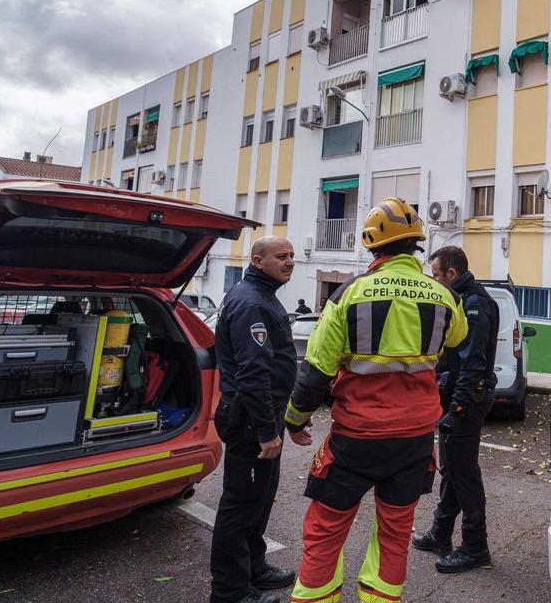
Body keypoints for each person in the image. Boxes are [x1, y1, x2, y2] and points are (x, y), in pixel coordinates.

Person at [284, 198, 468, 603]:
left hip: (357, 438)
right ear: (416, 244)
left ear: (372, 246)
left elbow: (316, 371)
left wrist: (295, 420)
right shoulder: (444, 295)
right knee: (395, 534)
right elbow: (456, 339)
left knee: (325, 530)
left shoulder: (349, 295)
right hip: (415, 441)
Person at [209, 236, 301, 603]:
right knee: (240, 504)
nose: (290, 261)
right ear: (258, 260)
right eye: (282, 256)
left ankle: (254, 569)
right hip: (251, 420)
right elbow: (252, 373)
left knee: (260, 499)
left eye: (292, 255)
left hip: (263, 415)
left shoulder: (261, 295)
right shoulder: (251, 302)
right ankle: (230, 591)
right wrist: (267, 431)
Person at [412, 246, 500, 573]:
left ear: (451, 273)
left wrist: (459, 407)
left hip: (467, 399)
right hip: (453, 397)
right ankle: (441, 532)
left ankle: (476, 547)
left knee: (465, 475)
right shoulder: (459, 299)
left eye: (436, 274)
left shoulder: (476, 303)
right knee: (452, 469)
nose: (434, 280)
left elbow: (473, 364)